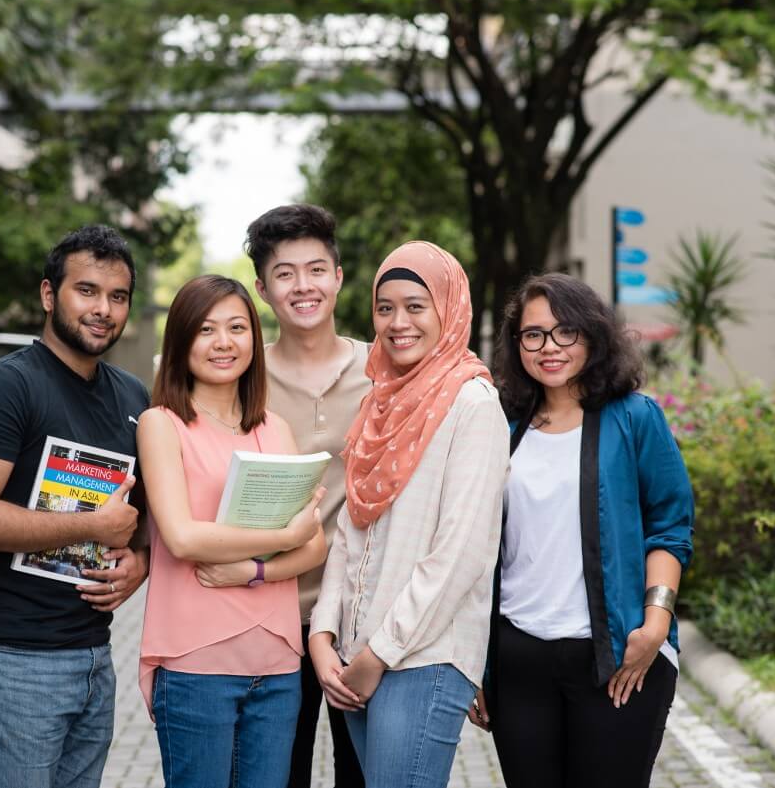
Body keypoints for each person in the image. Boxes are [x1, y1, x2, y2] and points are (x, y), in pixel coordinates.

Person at [0, 224, 151, 788]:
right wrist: (91, 524)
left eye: (118, 296)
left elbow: (142, 518)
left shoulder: (132, 396)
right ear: (49, 294)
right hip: (7, 653)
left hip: (90, 651)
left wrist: (139, 563)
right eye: (86, 291)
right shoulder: (5, 388)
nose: (103, 309)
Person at [473, 272, 694, 788]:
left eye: (564, 331)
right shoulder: (501, 426)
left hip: (618, 657)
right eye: (533, 334)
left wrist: (655, 625)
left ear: (592, 335)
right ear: (517, 343)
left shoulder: (634, 417)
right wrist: (478, 664)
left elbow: (670, 524)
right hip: (519, 659)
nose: (549, 347)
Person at [308, 241, 509, 788]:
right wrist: (323, 636)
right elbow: (352, 527)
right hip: (355, 656)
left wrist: (378, 654)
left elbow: (461, 554)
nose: (398, 322)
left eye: (416, 306)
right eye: (385, 307)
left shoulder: (473, 404)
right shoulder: (380, 400)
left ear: (449, 308)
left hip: (422, 659)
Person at [137, 274, 329, 788]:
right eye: (206, 330)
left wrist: (252, 569)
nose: (224, 342)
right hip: (197, 665)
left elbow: (315, 544)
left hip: (279, 664)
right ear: (180, 342)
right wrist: (286, 536)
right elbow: (181, 538)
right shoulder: (161, 424)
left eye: (237, 328)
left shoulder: (275, 428)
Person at [245, 203, 369, 788]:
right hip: (270, 615)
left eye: (316, 269)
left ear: (339, 277)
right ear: (262, 287)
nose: (304, 286)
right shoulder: (242, 378)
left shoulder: (386, 368)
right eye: (285, 273)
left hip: (360, 617)